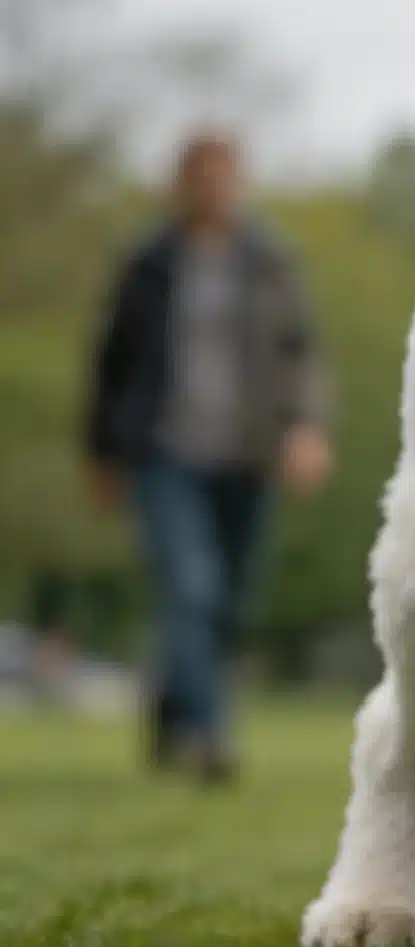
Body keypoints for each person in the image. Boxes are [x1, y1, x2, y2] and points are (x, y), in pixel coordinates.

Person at [85, 132, 333, 781]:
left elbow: (299, 352)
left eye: (225, 173)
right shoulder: (149, 262)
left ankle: (171, 713)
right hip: (164, 452)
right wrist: (103, 453)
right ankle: (208, 736)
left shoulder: (269, 260)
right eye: (202, 174)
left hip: (246, 452)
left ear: (240, 181)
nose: (215, 186)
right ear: (183, 183)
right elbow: (111, 364)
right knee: (191, 588)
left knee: (229, 601)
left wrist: (305, 426)